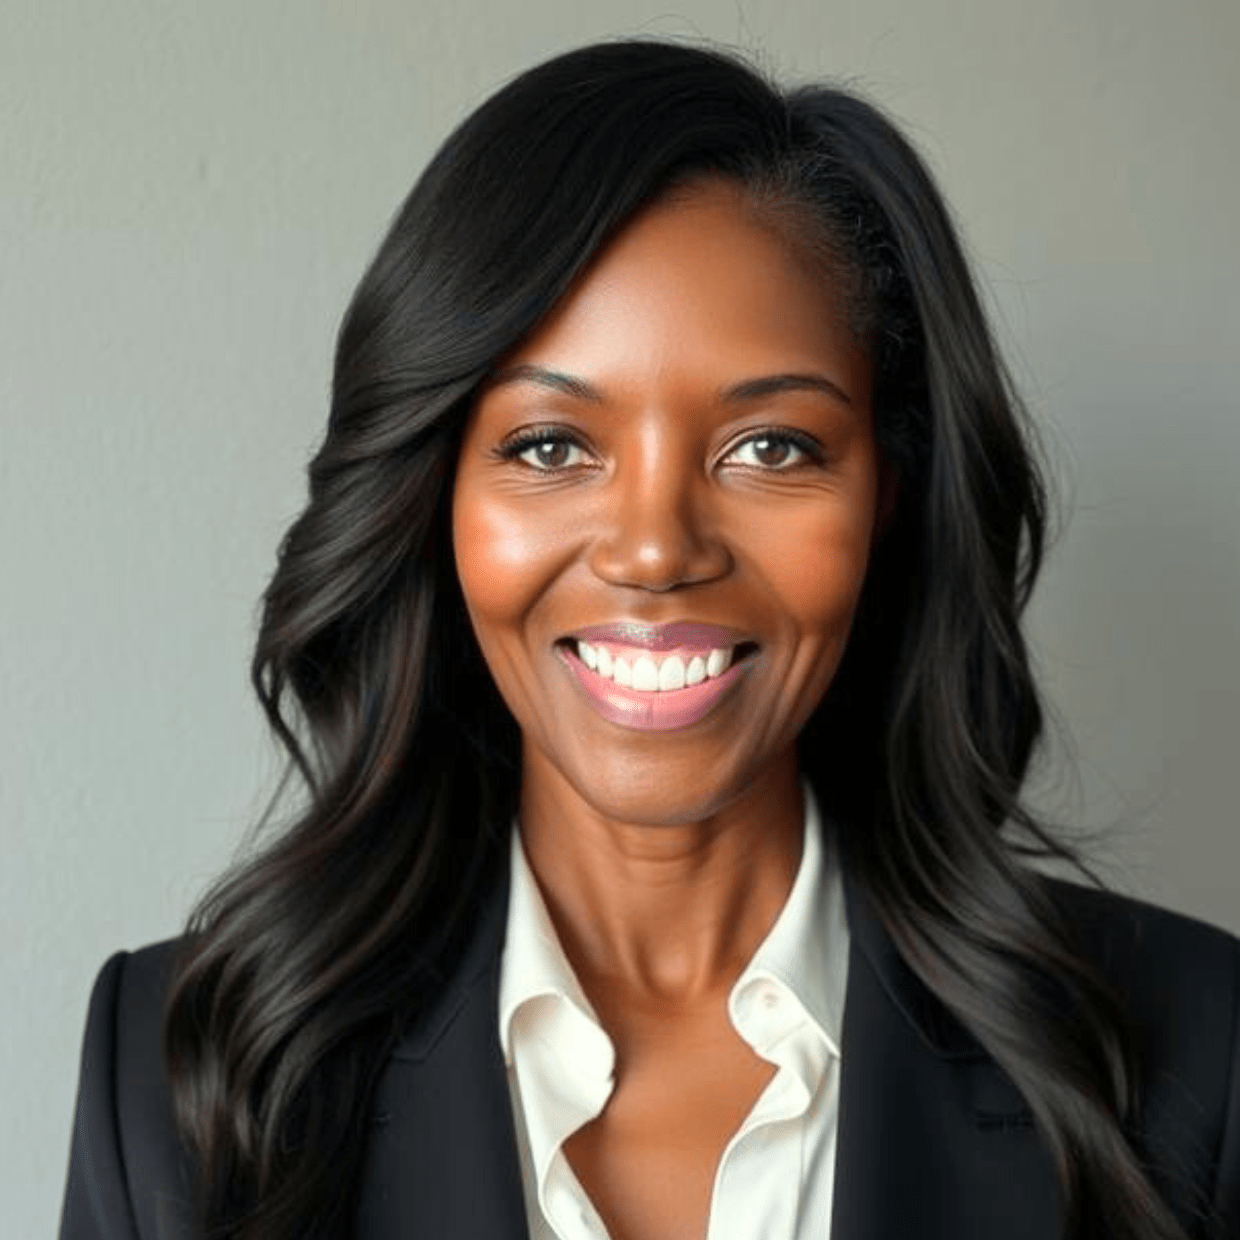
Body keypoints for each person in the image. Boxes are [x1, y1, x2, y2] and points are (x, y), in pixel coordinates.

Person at [60, 38, 1239, 1240]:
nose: (653, 549)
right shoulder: (176, 1084)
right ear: (434, 497)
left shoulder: (1193, 1054)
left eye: (770, 447)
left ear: (889, 490)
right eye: (550, 446)